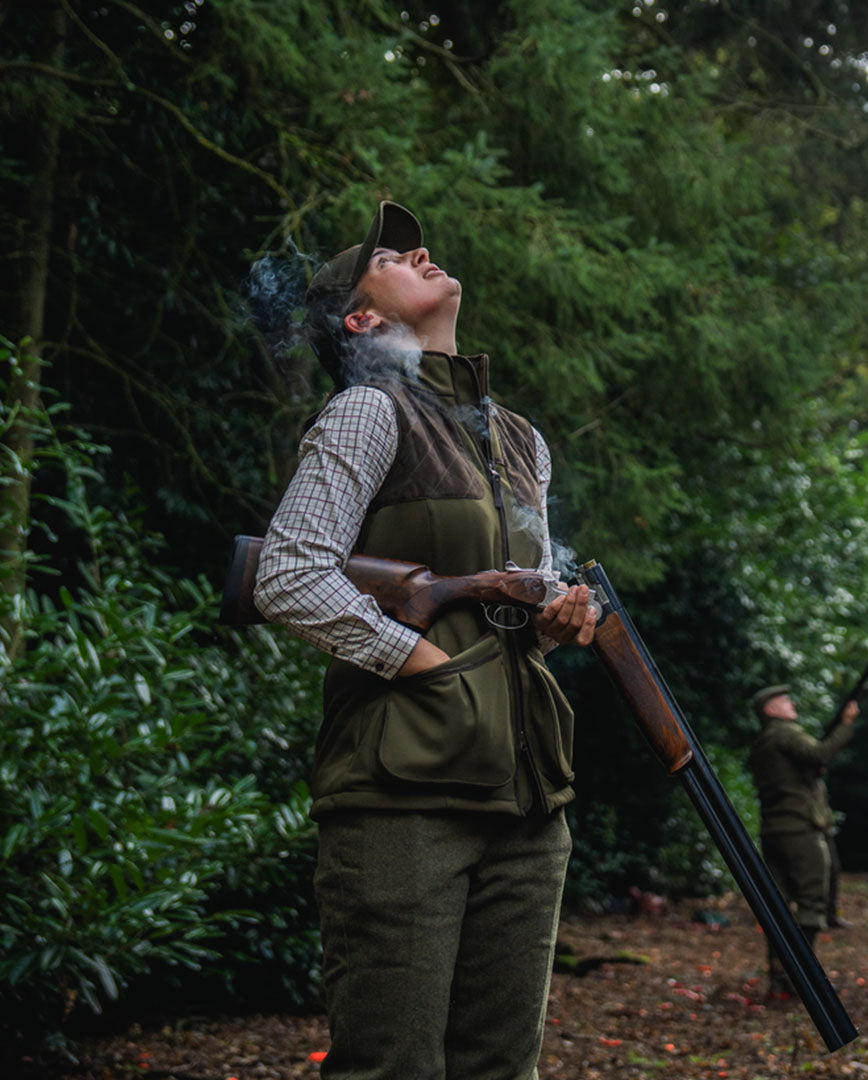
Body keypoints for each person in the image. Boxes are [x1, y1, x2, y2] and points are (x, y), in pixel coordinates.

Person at [254, 200, 596, 1080]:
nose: (422, 251)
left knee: (500, 1069)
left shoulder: (522, 439)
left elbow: (513, 608)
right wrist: (420, 662)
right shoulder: (367, 413)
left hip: (528, 802)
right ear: (361, 319)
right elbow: (288, 574)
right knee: (393, 1068)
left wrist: (560, 617)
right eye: (393, 256)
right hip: (402, 798)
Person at [748, 684, 857, 996]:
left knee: (778, 905)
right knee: (811, 901)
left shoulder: (762, 742)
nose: (790, 703)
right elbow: (819, 752)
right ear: (770, 710)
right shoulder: (785, 732)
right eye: (783, 700)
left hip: (774, 829)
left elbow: (803, 768)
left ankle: (780, 976)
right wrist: (846, 724)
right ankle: (803, 975)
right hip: (800, 830)